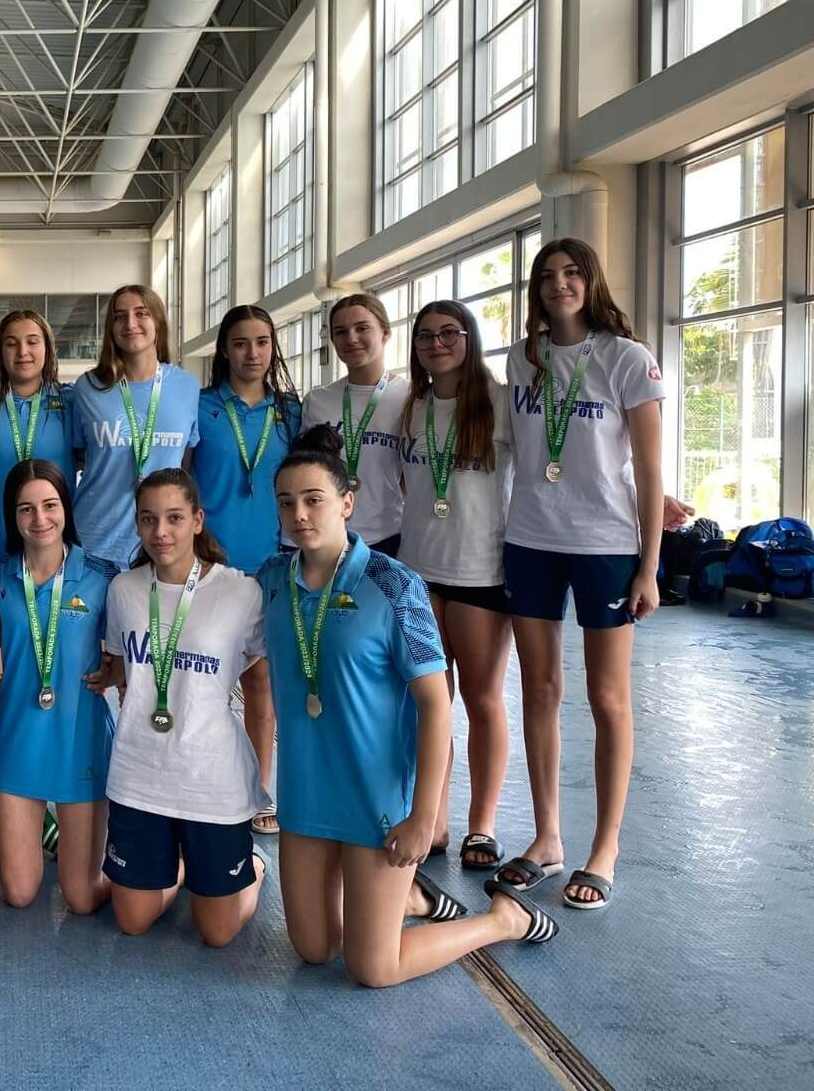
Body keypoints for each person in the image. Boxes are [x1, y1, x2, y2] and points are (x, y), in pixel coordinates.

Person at [259, 427, 557, 987]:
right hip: (305, 793)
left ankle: (501, 919)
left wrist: (423, 817)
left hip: (377, 801)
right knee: (314, 950)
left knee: (374, 967)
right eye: (287, 502)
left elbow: (435, 704)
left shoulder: (395, 586)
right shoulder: (274, 581)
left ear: (347, 502)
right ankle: (411, 898)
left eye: (314, 499)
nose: (300, 514)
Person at [497, 238, 664, 911]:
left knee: (607, 697)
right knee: (538, 686)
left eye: (571, 274)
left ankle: (605, 847)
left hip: (605, 545)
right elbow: (512, 451)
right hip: (531, 539)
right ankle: (546, 839)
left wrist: (649, 567)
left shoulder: (628, 359)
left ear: (590, 282)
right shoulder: (523, 358)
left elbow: (650, 472)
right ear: (535, 288)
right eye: (547, 275)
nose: (559, 284)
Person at [96, 468, 266, 947]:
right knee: (131, 920)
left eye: (174, 518)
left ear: (197, 520)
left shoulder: (241, 592)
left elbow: (260, 671)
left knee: (217, 933)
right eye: (148, 519)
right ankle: (184, 865)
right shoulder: (124, 590)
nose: (160, 532)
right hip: (139, 773)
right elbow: (124, 668)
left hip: (211, 779)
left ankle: (251, 865)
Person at [396, 300, 514, 871]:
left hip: (480, 572)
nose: (437, 343)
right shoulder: (413, 407)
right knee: (430, 703)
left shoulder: (498, 402)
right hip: (420, 573)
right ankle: (434, 819)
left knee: (482, 699)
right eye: (426, 336)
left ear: (470, 337)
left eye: (449, 333)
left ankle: (482, 825)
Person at [190, 304, 302, 836]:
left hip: (270, 567)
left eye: (261, 342)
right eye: (240, 343)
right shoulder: (201, 407)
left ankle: (260, 788)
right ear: (225, 351)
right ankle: (202, 781)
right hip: (210, 565)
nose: (252, 353)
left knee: (260, 682)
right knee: (200, 679)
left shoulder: (290, 413)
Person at [0, 459, 113, 914]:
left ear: (67, 508)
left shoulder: (103, 578)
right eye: (26, 509)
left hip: (80, 742)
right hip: (18, 742)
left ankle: (170, 869)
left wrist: (116, 669)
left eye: (50, 505)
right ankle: (54, 836)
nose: (39, 520)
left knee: (81, 899)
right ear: (12, 516)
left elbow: (136, 644)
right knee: (19, 894)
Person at [0, 310, 76, 749]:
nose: (23, 351)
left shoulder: (68, 403)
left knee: (53, 663)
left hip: (48, 555)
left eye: (32, 341)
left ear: (47, 348)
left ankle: (50, 760)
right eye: (11, 342)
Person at [70, 285, 201, 567]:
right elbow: (78, 454)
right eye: (120, 316)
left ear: (158, 321)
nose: (130, 323)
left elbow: (185, 461)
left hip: (161, 542)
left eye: (141, 313)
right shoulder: (89, 387)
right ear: (111, 328)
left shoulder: (187, 386)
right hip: (95, 537)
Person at [301, 293, 409, 557]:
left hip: (389, 536)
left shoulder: (410, 397)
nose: (351, 338)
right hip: (329, 536)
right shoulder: (317, 400)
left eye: (362, 328)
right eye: (341, 331)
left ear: (385, 333)